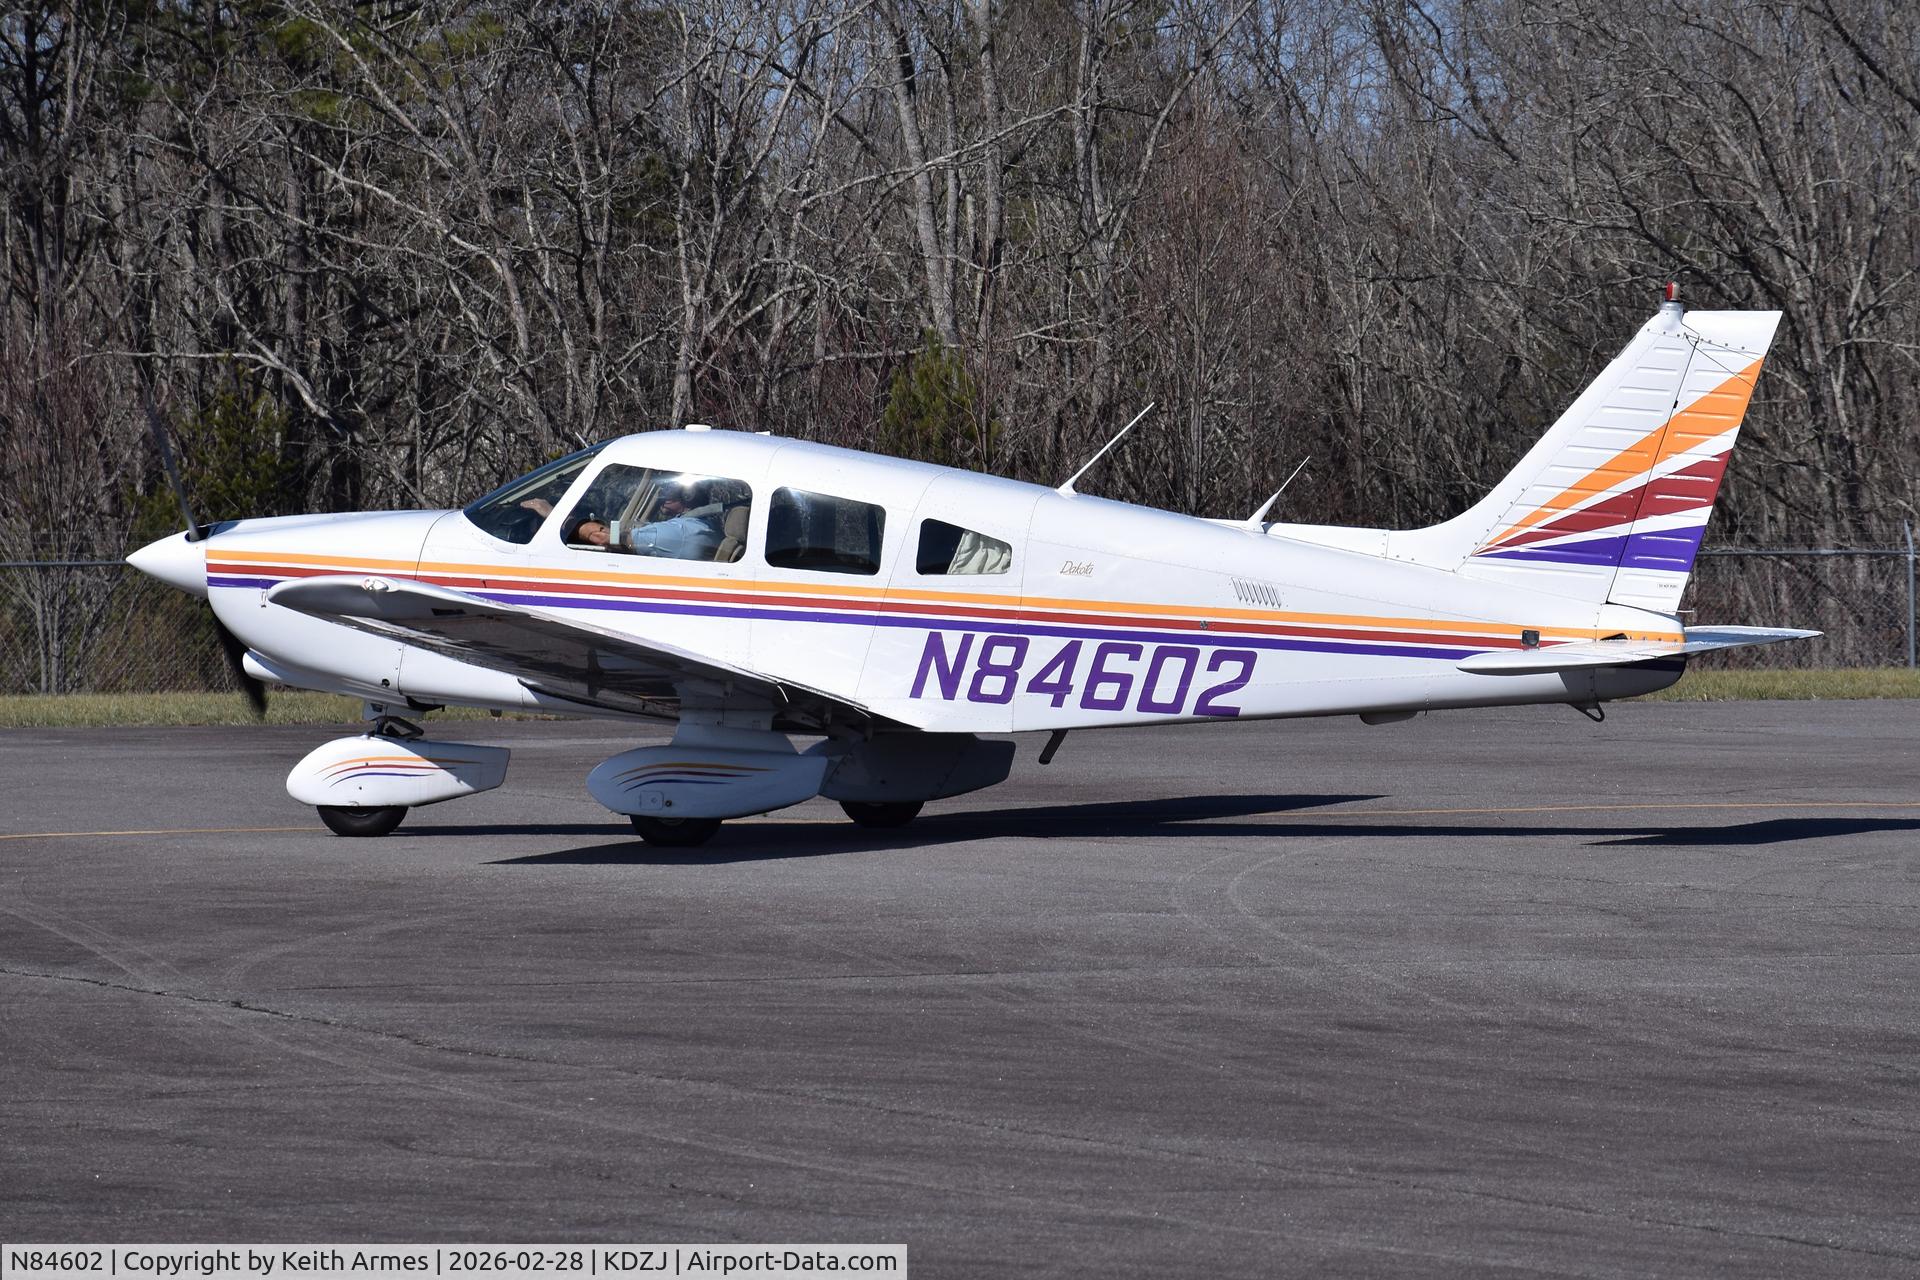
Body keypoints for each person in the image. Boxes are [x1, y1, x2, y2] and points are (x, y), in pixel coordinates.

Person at [564, 482, 724, 560]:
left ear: (688, 496)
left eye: (670, 489)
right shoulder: (705, 526)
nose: (663, 493)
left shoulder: (676, 533)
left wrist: (566, 521)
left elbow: (606, 539)